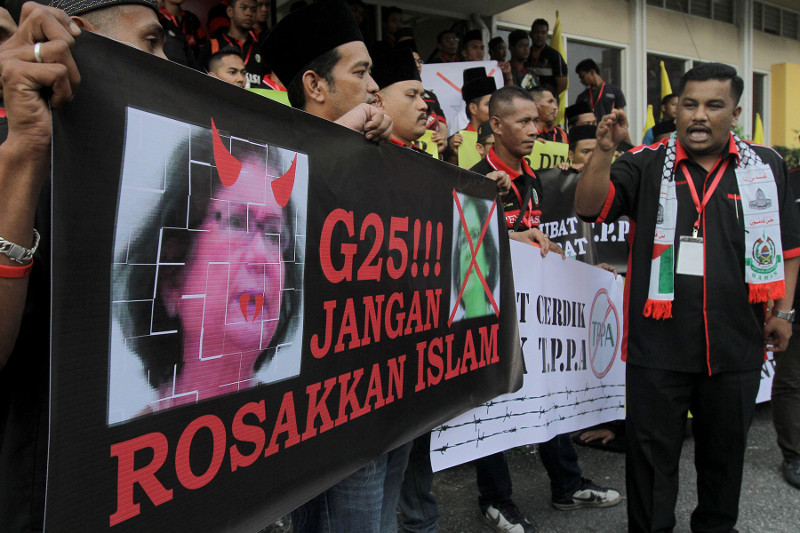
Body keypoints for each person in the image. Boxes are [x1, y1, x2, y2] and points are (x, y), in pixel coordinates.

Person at [575, 62, 800, 532]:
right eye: (689, 104)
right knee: (651, 464)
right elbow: (589, 208)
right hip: (658, 346)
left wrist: (785, 312)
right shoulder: (644, 161)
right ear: (675, 109)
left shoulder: (765, 165)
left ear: (735, 113)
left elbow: (788, 248)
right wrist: (604, 151)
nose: (699, 115)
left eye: (714, 105)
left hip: (735, 345)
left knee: (724, 461)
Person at [0, 0, 167, 529]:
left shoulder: (161, 171)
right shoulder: (20, 155)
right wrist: (26, 152)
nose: (168, 65)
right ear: (80, 40)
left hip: (151, 482)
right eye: (151, 43)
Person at [262, 2, 399, 531]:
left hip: (387, 385)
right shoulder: (268, 150)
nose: (374, 87)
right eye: (360, 72)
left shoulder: (377, 150)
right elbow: (281, 204)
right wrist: (343, 135)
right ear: (315, 85)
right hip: (324, 401)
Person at [111, 122, 301, 418]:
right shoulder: (131, 443)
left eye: (274, 234)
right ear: (173, 277)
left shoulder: (297, 421)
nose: (262, 256)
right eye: (236, 222)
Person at [772, 162, 800, 490]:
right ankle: (794, 455)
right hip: (794, 302)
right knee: (791, 380)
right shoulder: (787, 182)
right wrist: (783, 310)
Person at [200, 0, 267, 88]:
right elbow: (200, 81)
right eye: (243, 8)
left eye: (253, 10)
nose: (249, 13)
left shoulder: (263, 45)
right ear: (230, 11)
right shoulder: (213, 45)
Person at [526, 18, 567, 95]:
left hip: (548, 99)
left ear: (547, 35)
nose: (540, 36)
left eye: (543, 33)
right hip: (528, 98)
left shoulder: (555, 56)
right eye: (537, 32)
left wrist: (548, 98)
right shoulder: (525, 54)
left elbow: (562, 85)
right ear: (531, 34)